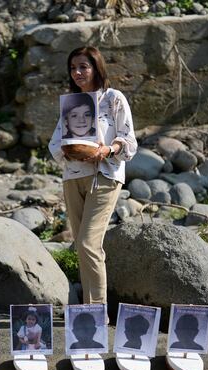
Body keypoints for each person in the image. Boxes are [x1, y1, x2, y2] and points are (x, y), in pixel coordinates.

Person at [47, 46, 137, 310]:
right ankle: (87, 310)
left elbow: (129, 140)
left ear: (97, 67)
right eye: (73, 68)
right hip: (72, 178)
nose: (77, 72)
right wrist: (71, 152)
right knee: (81, 246)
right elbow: (55, 143)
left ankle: (97, 312)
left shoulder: (113, 98)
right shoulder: (72, 103)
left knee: (89, 243)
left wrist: (106, 150)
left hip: (105, 176)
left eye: (83, 67)